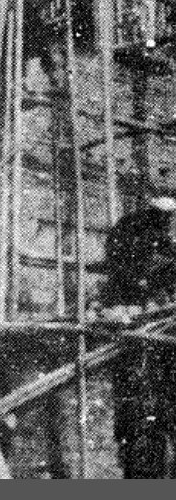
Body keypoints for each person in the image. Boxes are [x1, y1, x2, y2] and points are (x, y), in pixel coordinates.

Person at [104, 192, 176, 478]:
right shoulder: (130, 228)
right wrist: (140, 283)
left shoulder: (161, 237)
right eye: (163, 216)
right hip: (132, 302)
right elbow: (119, 264)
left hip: (152, 311)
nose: (166, 221)